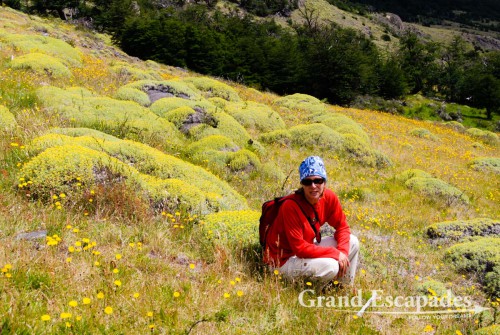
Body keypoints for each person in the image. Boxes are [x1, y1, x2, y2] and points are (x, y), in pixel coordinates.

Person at [263, 156, 359, 288]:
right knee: (331, 266)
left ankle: (343, 288)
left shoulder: (329, 197)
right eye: (307, 182)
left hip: (305, 249)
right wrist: (336, 254)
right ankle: (313, 291)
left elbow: (342, 227)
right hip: (283, 261)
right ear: (302, 184)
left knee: (353, 241)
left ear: (324, 181)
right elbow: (300, 249)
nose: (313, 186)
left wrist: (342, 252)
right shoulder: (290, 206)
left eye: (318, 180)